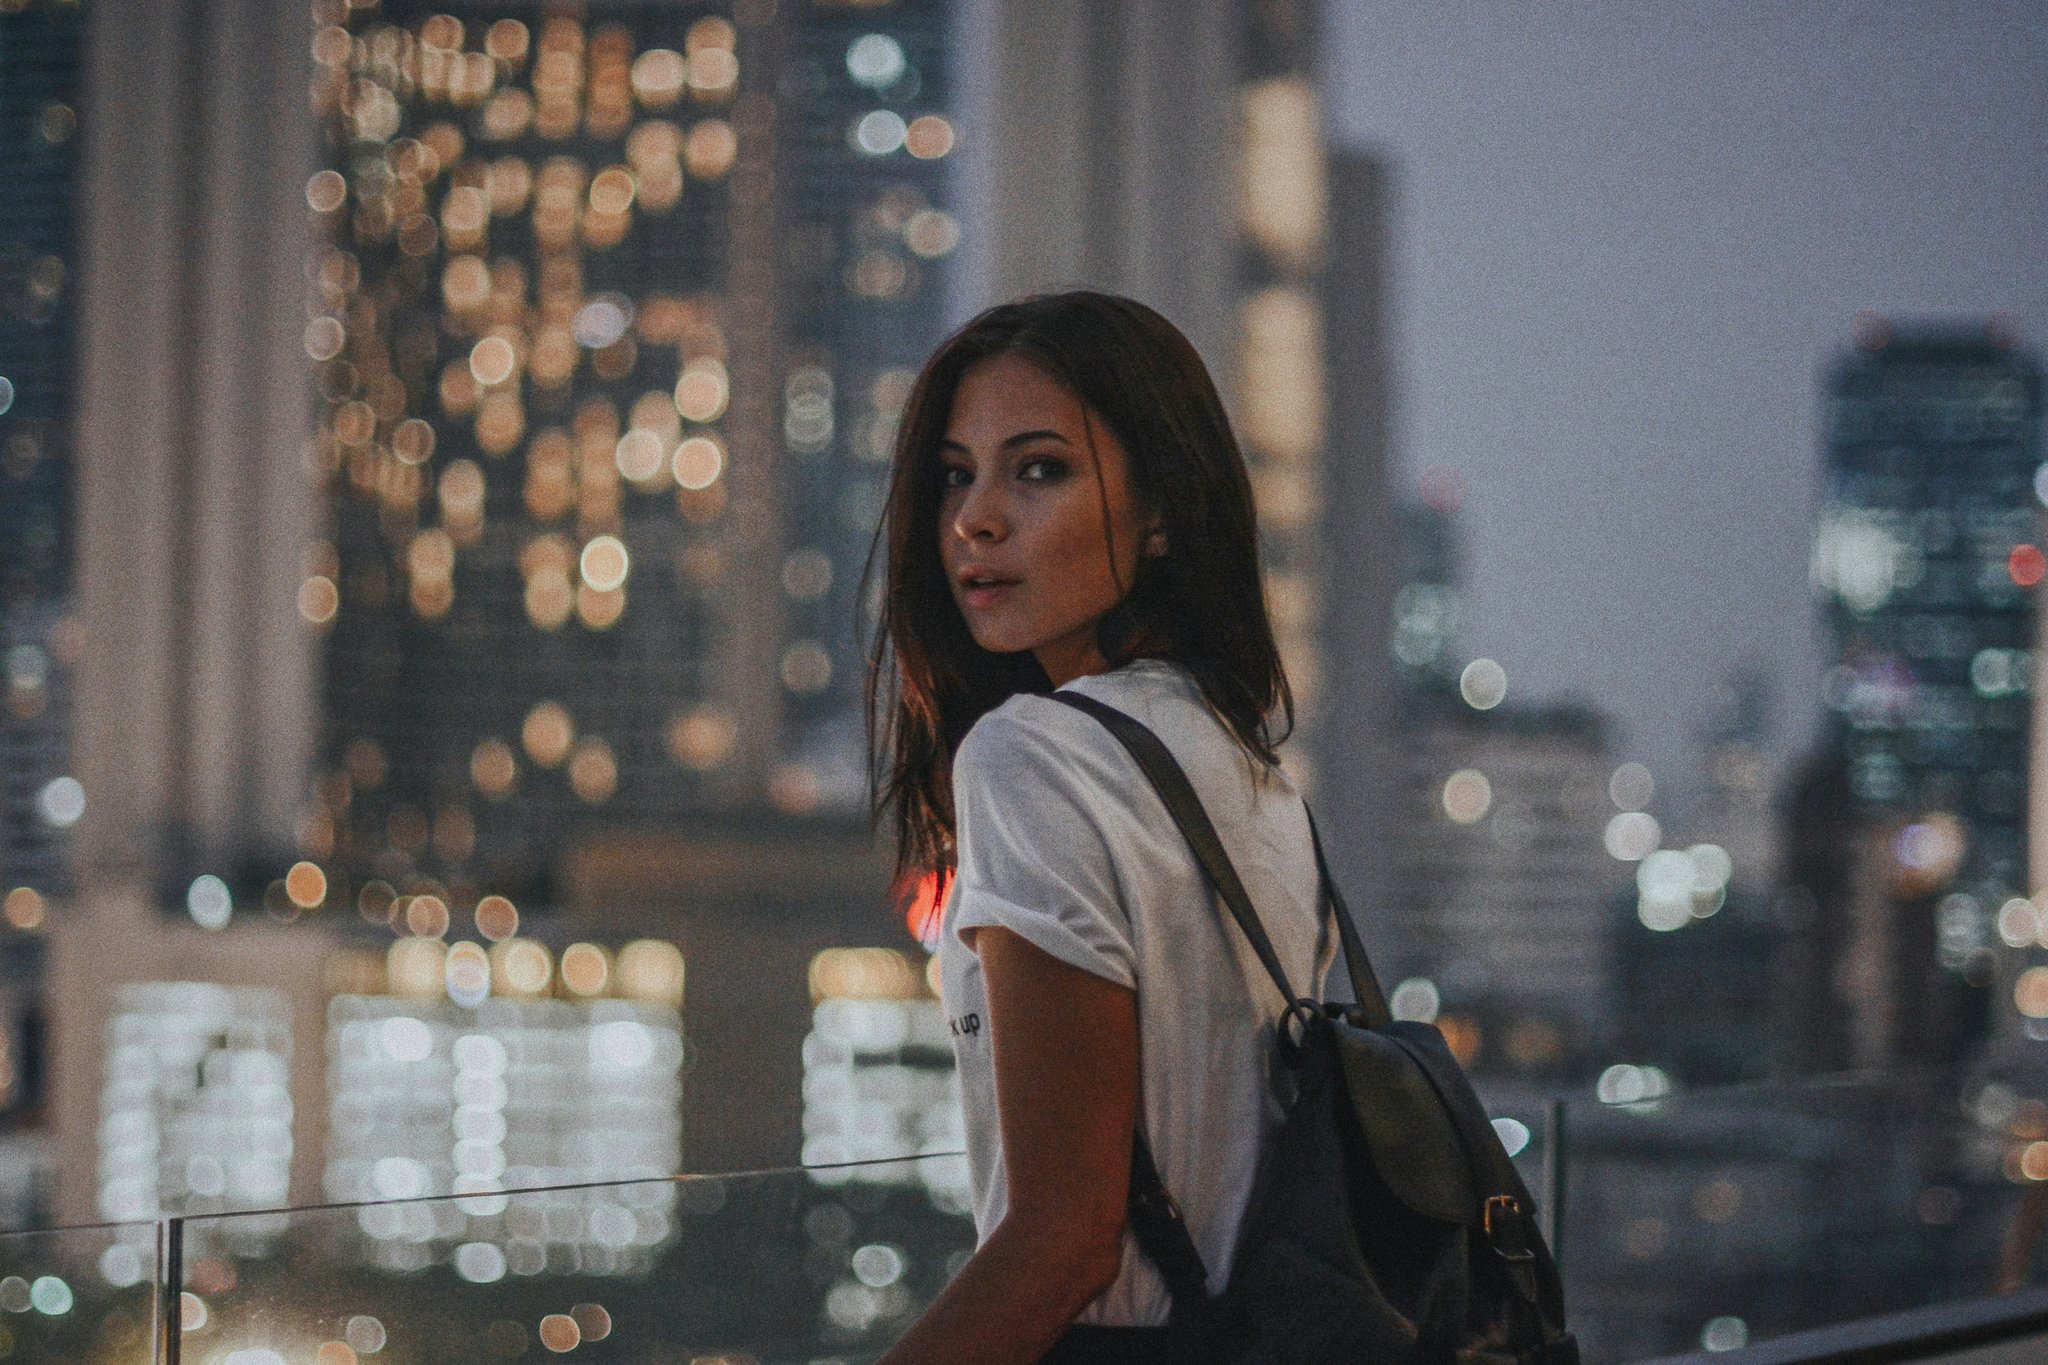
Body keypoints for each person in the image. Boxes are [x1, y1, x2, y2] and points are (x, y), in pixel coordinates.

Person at [865, 291, 1339, 1365]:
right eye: (955, 474)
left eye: (1039, 469)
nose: (974, 520)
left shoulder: (1029, 755)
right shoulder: (1238, 761)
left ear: (1163, 509)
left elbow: (1065, 1243)